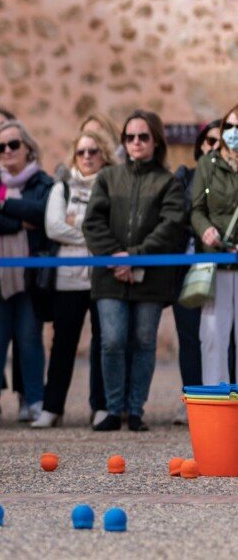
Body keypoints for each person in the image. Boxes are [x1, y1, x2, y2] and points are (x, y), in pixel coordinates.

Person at [84, 110, 186, 432]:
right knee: (112, 340)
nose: (136, 142)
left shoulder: (168, 183)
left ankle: (136, 409)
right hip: (111, 275)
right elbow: (93, 223)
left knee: (143, 341)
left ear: (155, 141)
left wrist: (136, 256)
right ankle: (114, 409)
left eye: (143, 136)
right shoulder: (108, 178)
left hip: (151, 278)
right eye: (130, 137)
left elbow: (170, 227)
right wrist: (117, 257)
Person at [32, 130, 114, 428]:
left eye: (93, 151)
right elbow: (54, 227)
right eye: (81, 152)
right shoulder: (61, 188)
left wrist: (81, 228)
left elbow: (112, 226)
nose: (87, 157)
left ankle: (102, 406)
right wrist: (94, 233)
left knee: (104, 343)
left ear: (104, 154)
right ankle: (52, 406)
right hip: (68, 279)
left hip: (103, 278)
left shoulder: (111, 187)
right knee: (63, 343)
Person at [0, 120, 52, 427]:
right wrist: (19, 220)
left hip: (31, 275)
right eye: (0, 147)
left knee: (30, 338)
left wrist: (4, 206)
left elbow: (44, 214)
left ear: (28, 148)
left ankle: (35, 400)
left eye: (14, 145)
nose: (7, 151)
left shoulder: (42, 182)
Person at [171, 119, 221, 423]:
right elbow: (178, 214)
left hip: (224, 267)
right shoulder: (185, 177)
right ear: (200, 145)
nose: (214, 147)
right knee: (189, 336)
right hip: (189, 266)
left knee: (222, 336)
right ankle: (191, 399)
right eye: (209, 142)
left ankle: (223, 400)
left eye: (220, 142)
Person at [192, 105, 238, 387]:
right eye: (230, 127)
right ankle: (216, 403)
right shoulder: (207, 165)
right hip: (215, 260)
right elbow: (196, 209)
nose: (234, 134)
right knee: (213, 336)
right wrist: (205, 230)